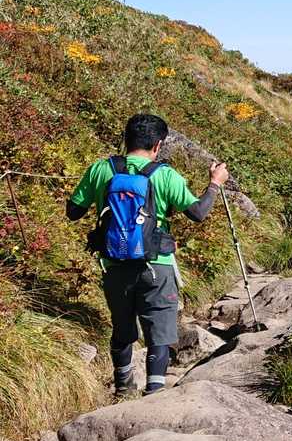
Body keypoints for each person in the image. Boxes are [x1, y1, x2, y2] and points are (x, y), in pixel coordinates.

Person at [66, 113, 228, 397]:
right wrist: (215, 183)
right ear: (158, 145)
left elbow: (73, 211)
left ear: (126, 139)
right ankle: (154, 393)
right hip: (156, 266)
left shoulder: (101, 169)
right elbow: (198, 213)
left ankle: (123, 388)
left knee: (122, 329)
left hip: (114, 265)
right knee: (159, 335)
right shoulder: (165, 175)